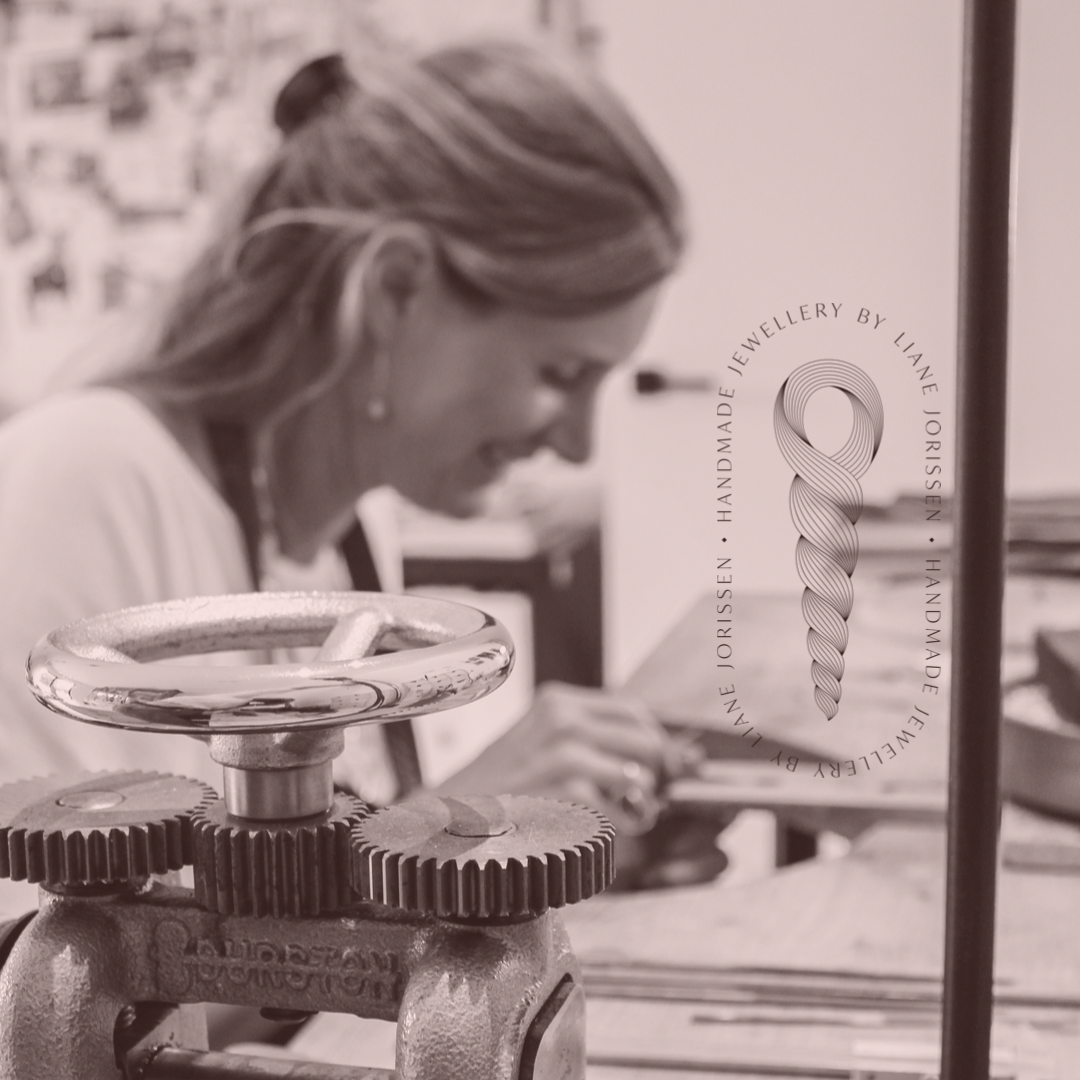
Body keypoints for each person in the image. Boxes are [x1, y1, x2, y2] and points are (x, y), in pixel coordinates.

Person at [0, 38, 697, 856]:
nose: (578, 447)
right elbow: (42, 963)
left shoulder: (344, 543)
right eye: (562, 372)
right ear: (394, 290)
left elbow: (310, 886)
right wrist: (446, 830)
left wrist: (544, 856)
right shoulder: (77, 483)